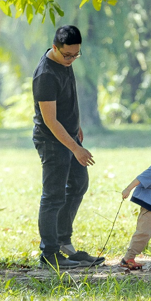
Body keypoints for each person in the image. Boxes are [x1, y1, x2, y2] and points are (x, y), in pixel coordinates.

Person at [33, 25, 105, 270]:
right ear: (55, 48)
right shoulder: (45, 75)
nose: (72, 59)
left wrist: (78, 126)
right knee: (53, 196)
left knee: (78, 183)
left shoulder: (66, 61)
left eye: (76, 54)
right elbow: (50, 120)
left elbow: (68, 99)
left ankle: (63, 241)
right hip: (52, 141)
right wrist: (75, 147)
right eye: (68, 55)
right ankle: (49, 254)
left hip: (70, 136)